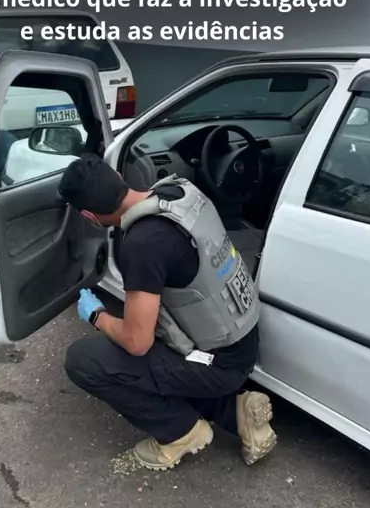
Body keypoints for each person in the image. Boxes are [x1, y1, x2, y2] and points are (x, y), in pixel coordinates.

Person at [59, 153, 276, 472]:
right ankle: (236, 411)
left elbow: (137, 343)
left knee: (85, 360)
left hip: (217, 364)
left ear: (90, 217)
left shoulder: (143, 245)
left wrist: (97, 316)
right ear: (119, 178)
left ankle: (180, 432)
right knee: (155, 342)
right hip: (241, 339)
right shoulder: (180, 192)